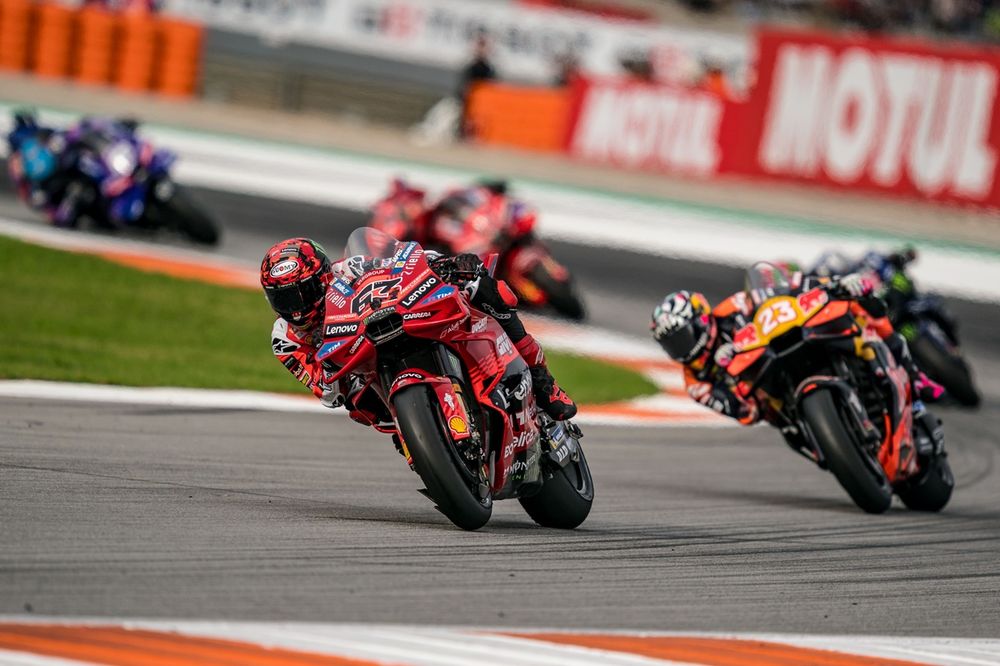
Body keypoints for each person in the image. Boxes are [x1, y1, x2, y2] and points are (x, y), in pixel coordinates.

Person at [260, 237, 577, 426]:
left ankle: (542, 378)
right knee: (360, 405)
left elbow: (405, 260)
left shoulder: (351, 268)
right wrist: (331, 374)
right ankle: (414, 436)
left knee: (480, 284)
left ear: (325, 276)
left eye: (303, 292)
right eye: (284, 298)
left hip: (396, 321)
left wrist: (446, 263)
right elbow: (327, 392)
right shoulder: (285, 339)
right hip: (359, 368)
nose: (297, 308)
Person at [651, 270, 943, 426]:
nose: (680, 349)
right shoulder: (696, 382)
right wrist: (735, 379)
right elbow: (746, 415)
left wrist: (833, 285)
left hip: (785, 349)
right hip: (775, 402)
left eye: (682, 337)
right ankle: (830, 442)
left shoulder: (734, 307)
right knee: (790, 427)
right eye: (671, 344)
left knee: (862, 315)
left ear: (702, 321)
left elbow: (787, 289)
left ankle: (915, 377)